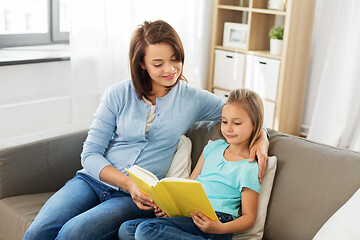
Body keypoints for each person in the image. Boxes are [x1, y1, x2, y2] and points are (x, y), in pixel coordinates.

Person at [24, 20, 269, 240]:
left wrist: (262, 139)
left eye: (175, 59)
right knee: (37, 232)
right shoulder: (118, 94)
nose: (170, 69)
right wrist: (127, 182)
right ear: (142, 63)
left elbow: (243, 115)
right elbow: (90, 154)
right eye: (158, 63)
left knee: (73, 234)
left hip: (136, 199)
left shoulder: (192, 99)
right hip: (91, 181)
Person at [119, 88, 264, 240]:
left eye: (237, 123)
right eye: (224, 121)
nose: (228, 128)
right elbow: (190, 184)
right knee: (127, 229)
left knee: (145, 230)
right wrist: (169, 208)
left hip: (217, 222)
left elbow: (249, 218)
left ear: (255, 125)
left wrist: (220, 228)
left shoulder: (249, 166)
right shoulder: (212, 148)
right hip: (190, 214)